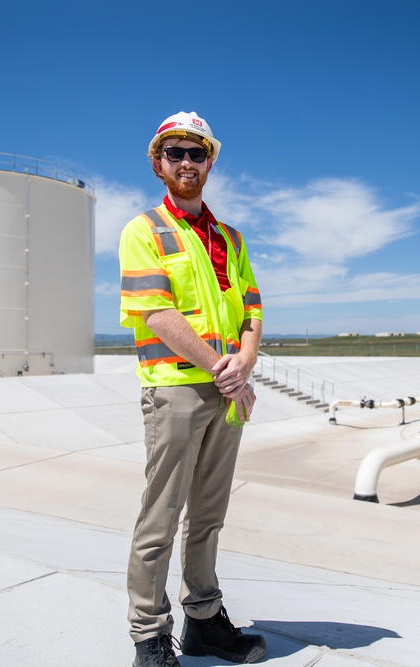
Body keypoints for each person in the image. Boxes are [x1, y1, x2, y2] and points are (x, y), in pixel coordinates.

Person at [119, 111, 266, 667]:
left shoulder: (229, 237)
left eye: (196, 153)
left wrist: (244, 363)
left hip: (226, 392)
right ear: (158, 163)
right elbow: (156, 313)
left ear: (210, 162)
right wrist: (222, 370)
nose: (186, 162)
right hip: (176, 391)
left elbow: (251, 307)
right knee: (160, 517)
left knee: (208, 515)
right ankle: (149, 635)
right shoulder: (145, 230)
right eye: (175, 152)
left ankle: (203, 620)